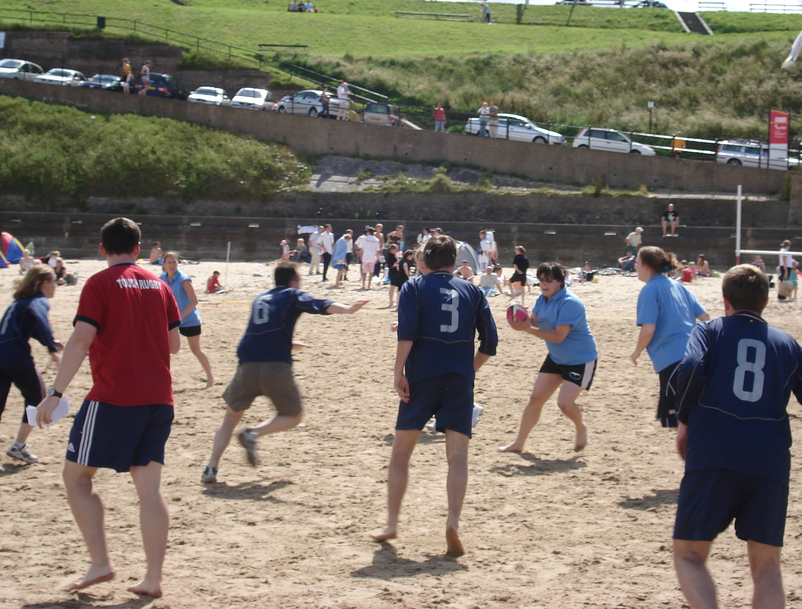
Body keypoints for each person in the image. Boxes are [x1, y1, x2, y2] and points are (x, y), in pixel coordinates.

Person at [669, 264, 802, 609]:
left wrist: (686, 420)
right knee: (767, 567)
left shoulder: (709, 331)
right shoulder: (787, 345)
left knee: (689, 555)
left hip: (714, 451)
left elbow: (691, 368)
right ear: (766, 302)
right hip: (769, 460)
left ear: (725, 300)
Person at [35, 217, 182, 598]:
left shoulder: (99, 283)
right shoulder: (160, 285)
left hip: (115, 397)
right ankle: (153, 579)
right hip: (159, 398)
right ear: (138, 248)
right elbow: (175, 345)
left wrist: (55, 392)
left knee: (77, 478)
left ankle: (101, 562)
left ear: (102, 249)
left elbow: (81, 340)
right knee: (149, 489)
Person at [372, 235, 497, 556]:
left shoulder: (413, 287)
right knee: (457, 457)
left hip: (422, 377)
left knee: (401, 453)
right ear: (454, 262)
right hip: (458, 379)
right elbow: (490, 343)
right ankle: (453, 522)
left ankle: (392, 523)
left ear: (425, 259)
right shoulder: (473, 291)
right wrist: (469, 370)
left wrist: (398, 371)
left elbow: (407, 333)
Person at [201, 263, 367, 482]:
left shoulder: (261, 298)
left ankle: (211, 468)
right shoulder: (291, 294)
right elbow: (319, 304)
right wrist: (347, 308)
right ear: (293, 281)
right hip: (275, 367)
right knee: (293, 416)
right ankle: (253, 433)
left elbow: (259, 332)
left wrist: (288, 343)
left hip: (247, 365)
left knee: (231, 417)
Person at [0, 265, 62, 475]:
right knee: (37, 398)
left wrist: (48, 340)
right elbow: (40, 320)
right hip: (16, 357)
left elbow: (28, 327)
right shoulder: (39, 301)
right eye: (54, 281)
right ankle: (19, 445)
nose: (56, 285)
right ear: (44, 283)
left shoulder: (18, 303)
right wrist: (51, 348)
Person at [500, 262, 598, 454]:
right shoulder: (542, 299)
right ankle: (518, 443)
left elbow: (559, 336)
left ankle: (581, 427)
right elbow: (533, 322)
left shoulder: (570, 302)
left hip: (580, 359)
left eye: (549, 280)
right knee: (535, 399)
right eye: (541, 280)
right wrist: (519, 317)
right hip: (556, 358)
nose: (544, 284)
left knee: (564, 404)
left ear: (560, 281)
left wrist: (528, 329)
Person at [629, 246, 710, 428]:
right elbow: (705, 318)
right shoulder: (678, 287)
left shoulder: (650, 290)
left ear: (647, 266)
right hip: (696, 357)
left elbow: (648, 329)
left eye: (637, 262)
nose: (635, 266)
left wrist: (636, 352)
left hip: (674, 362)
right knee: (677, 418)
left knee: (677, 422)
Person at [160, 252, 214, 387]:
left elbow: (194, 301)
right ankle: (164, 378)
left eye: (174, 262)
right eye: (169, 262)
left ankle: (210, 377)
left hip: (189, 320)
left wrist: (179, 316)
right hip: (172, 321)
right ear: (164, 264)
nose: (172, 265)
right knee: (166, 349)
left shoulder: (183, 279)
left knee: (195, 349)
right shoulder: (161, 279)